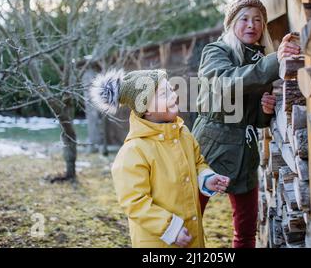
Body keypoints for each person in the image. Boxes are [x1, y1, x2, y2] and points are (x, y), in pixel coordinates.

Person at [191, 0, 300, 248]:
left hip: (245, 148)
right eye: (245, 19)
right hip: (211, 145)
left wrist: (265, 111)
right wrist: (275, 61)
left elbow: (258, 119)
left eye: (258, 20)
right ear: (231, 23)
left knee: (246, 229)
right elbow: (226, 83)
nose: (252, 25)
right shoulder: (216, 51)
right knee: (191, 218)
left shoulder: (258, 58)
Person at [89, 69, 230, 248]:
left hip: (192, 236)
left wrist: (206, 177)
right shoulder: (134, 152)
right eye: (164, 94)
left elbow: (197, 163)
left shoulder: (183, 134)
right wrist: (170, 228)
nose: (173, 96)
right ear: (145, 108)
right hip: (159, 243)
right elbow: (135, 202)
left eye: (171, 89)